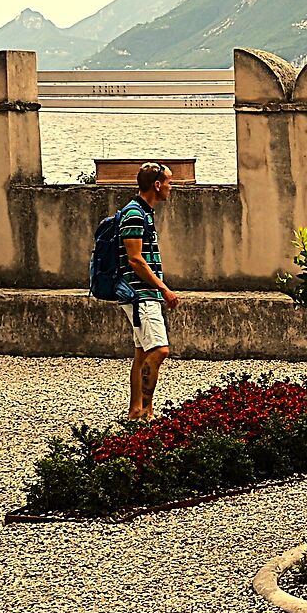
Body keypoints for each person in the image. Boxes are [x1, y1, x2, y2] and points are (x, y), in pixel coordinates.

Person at [117, 162, 178, 422]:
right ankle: (145, 411)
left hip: (142, 293)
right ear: (156, 184)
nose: (170, 187)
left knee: (142, 352)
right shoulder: (134, 214)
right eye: (168, 182)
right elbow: (135, 260)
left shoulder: (143, 212)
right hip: (140, 294)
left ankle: (135, 410)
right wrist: (164, 289)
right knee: (160, 350)